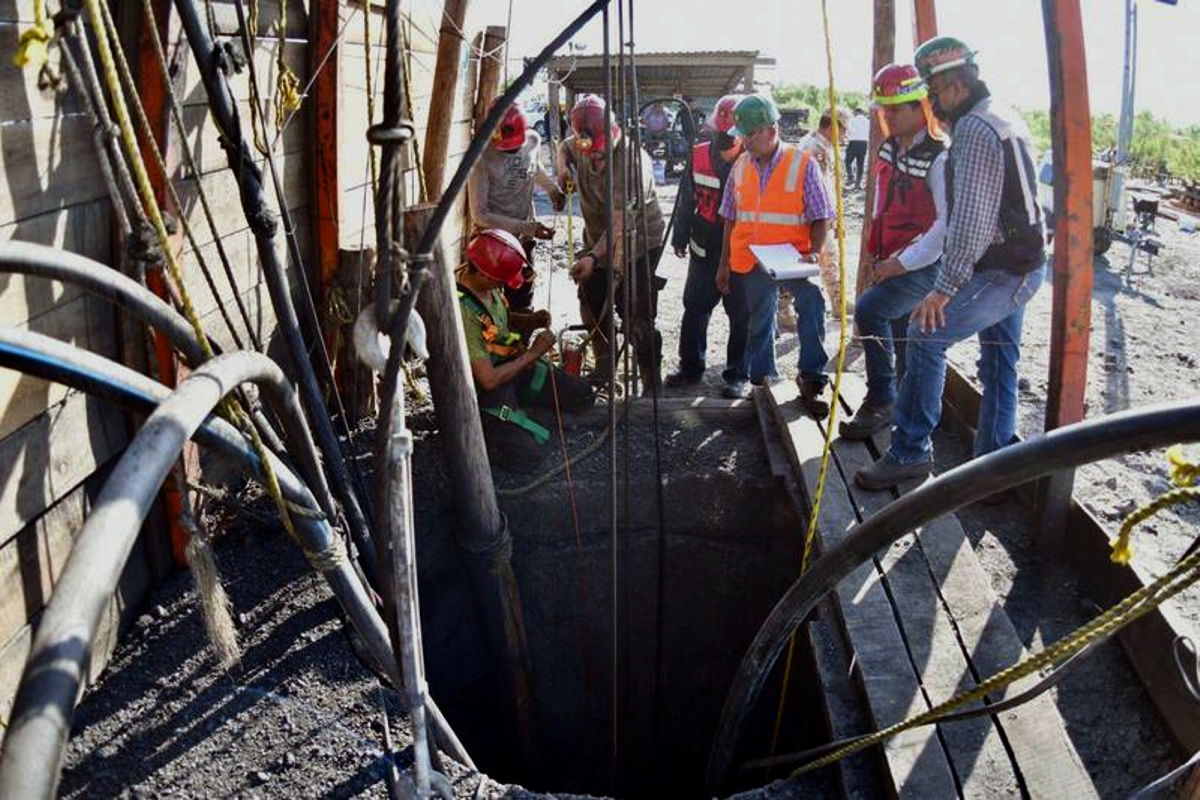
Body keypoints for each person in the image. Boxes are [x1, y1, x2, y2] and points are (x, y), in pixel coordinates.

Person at [855, 36, 1046, 490]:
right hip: (1023, 261)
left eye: (935, 93)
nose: (933, 104)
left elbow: (969, 221)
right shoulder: (1002, 115)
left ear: (955, 86)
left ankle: (910, 452)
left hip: (1003, 268)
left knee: (925, 334)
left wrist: (944, 288)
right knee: (999, 362)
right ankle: (991, 474)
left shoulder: (975, 130)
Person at [840, 63, 948, 439]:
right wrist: (875, 252)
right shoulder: (888, 148)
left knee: (870, 310)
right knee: (901, 329)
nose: (886, 116)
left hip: (924, 263)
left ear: (921, 107)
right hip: (890, 257)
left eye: (895, 109)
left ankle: (882, 399)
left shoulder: (940, 157)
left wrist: (900, 264)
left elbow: (944, 228)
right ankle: (904, 400)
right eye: (883, 109)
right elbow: (880, 202)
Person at [715, 93, 834, 413]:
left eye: (750, 134)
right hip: (753, 258)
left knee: (812, 304)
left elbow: (821, 216)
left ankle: (812, 378)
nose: (744, 141)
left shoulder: (803, 164)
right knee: (760, 320)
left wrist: (813, 253)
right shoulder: (740, 166)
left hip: (794, 258)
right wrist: (723, 264)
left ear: (770, 129)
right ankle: (764, 381)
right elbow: (729, 218)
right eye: (742, 135)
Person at [457, 229, 594, 473]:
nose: (503, 285)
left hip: (512, 369)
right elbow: (488, 380)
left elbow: (496, 324)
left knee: (583, 396)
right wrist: (533, 354)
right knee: (528, 457)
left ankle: (526, 413)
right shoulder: (464, 312)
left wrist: (529, 321)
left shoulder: (488, 287)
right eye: (501, 280)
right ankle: (493, 430)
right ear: (484, 274)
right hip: (487, 390)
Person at [557, 94, 667, 395]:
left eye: (600, 153)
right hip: (598, 240)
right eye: (590, 153)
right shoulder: (582, 143)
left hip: (639, 242)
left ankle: (651, 383)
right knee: (591, 301)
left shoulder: (632, 163)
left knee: (636, 316)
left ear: (613, 134)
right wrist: (563, 169)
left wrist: (593, 258)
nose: (595, 159)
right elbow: (564, 147)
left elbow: (619, 225)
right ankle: (605, 366)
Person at [664, 94, 748, 395]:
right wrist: (679, 236)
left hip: (741, 249)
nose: (725, 138)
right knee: (695, 306)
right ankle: (690, 368)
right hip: (704, 245)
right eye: (720, 131)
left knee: (741, 313)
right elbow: (686, 200)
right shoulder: (698, 155)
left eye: (730, 133)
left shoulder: (753, 160)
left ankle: (737, 374)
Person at [468, 101, 566, 312]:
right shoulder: (481, 158)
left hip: (523, 240)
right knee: (490, 306)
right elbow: (479, 214)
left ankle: (522, 327)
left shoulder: (533, 141)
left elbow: (534, 168)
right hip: (493, 245)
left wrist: (553, 190)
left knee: (522, 300)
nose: (511, 150)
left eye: (515, 146)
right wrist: (528, 227)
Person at [798, 107, 850, 319]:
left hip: (820, 214)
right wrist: (830, 217)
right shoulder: (814, 148)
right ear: (833, 126)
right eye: (844, 129)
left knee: (828, 260)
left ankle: (838, 303)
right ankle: (784, 310)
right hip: (815, 216)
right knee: (818, 260)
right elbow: (818, 189)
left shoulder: (821, 145)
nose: (846, 135)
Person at [845, 106, 870, 189]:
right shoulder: (867, 121)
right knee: (860, 164)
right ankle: (858, 183)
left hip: (853, 142)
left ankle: (850, 177)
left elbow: (848, 130)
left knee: (847, 161)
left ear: (856, 112)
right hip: (863, 143)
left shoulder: (852, 120)